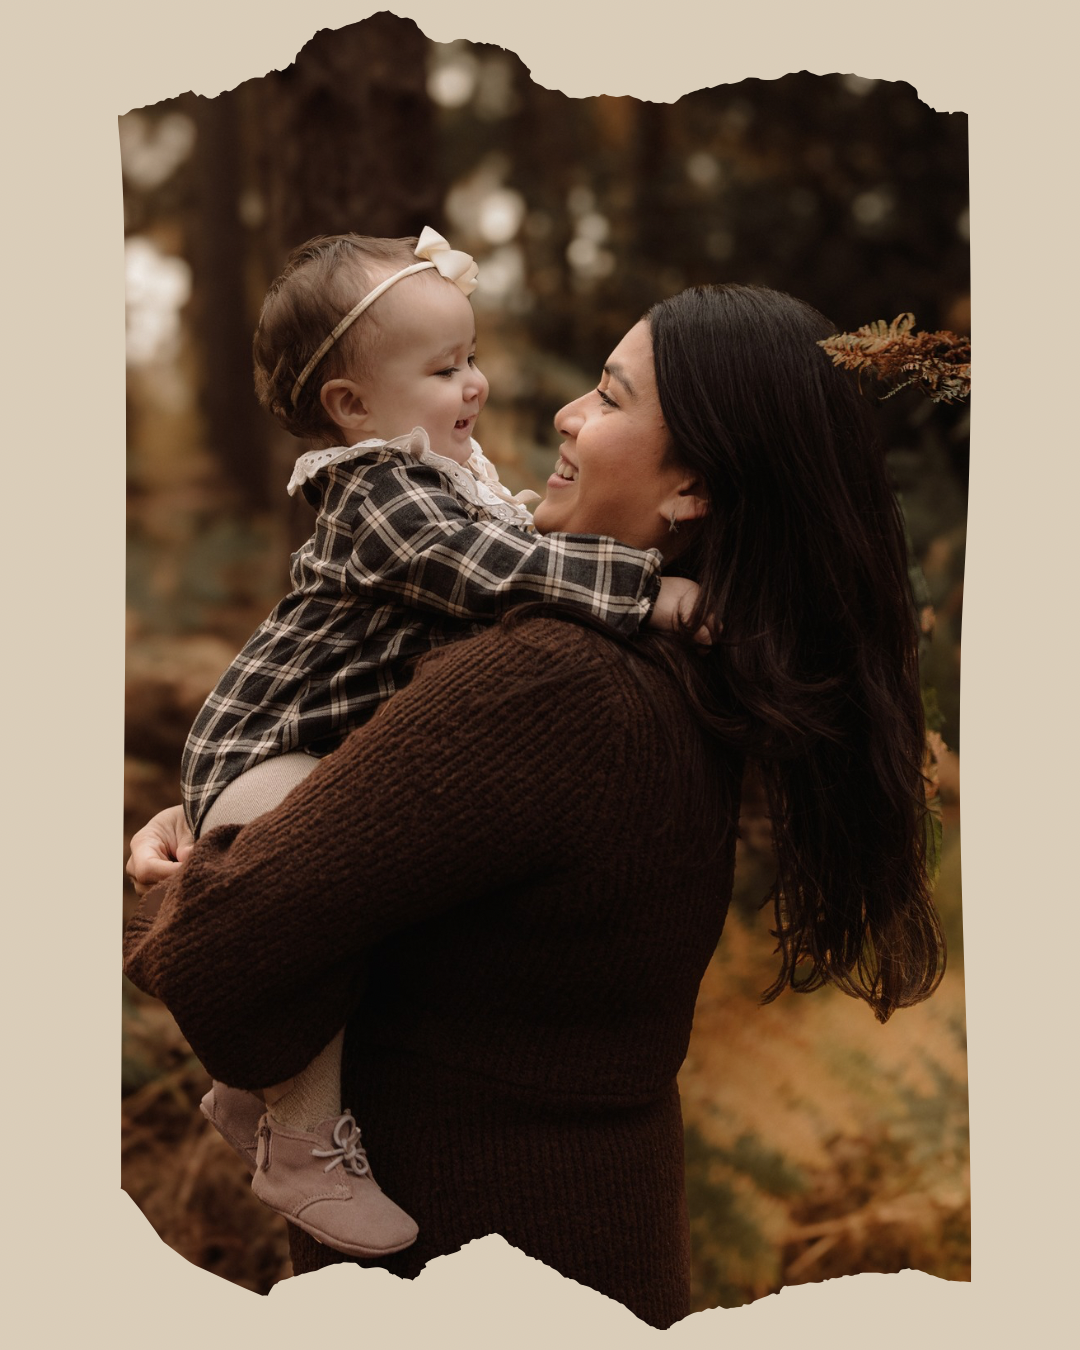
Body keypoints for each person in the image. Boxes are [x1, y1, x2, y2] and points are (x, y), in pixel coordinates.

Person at [125, 282, 944, 1329]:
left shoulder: (551, 683)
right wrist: (240, 817)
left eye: (609, 396)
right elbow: (391, 816)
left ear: (693, 484)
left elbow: (213, 950)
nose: (565, 413)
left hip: (468, 1282)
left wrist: (185, 876)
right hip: (590, 1253)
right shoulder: (685, 669)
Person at [171, 227, 703, 1260]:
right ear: (351, 406)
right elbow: (497, 571)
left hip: (299, 750)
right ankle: (301, 1138)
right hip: (262, 749)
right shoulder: (379, 491)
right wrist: (649, 591)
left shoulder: (445, 487)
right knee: (299, 897)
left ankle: (256, 1091)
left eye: (471, 356)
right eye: (445, 367)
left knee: (310, 886)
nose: (478, 384)